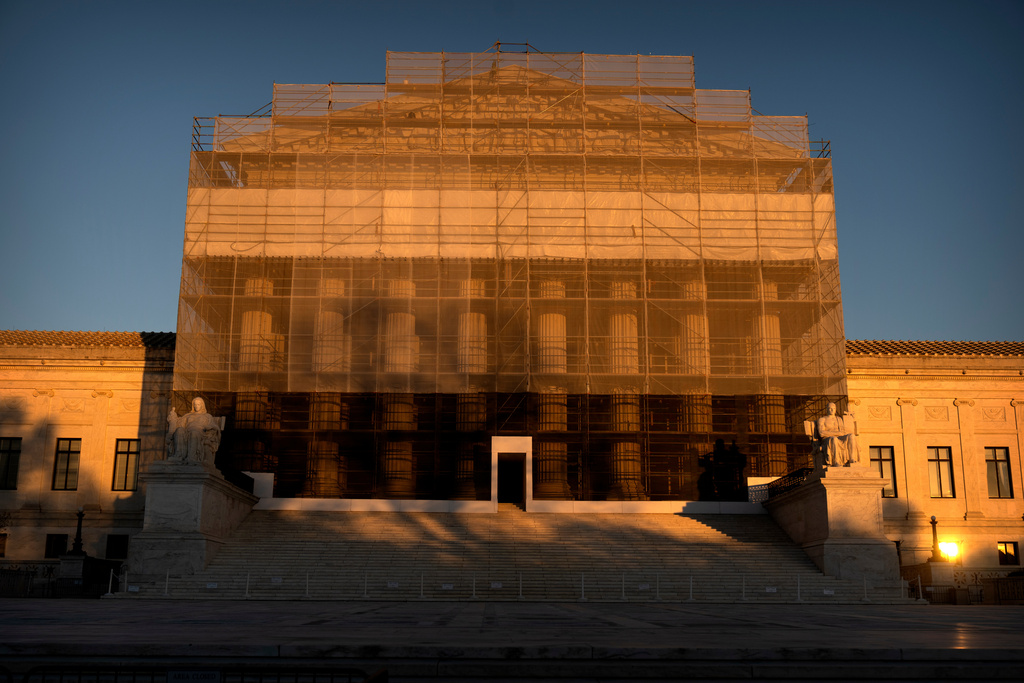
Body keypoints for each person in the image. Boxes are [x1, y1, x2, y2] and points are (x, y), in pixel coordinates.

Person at [166, 397, 223, 465]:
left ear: (202, 405)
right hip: (187, 431)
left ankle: (192, 457)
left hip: (200, 433)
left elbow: (214, 427)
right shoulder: (187, 415)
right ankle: (178, 455)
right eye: (195, 404)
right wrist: (173, 417)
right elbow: (179, 424)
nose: (196, 406)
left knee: (194, 433)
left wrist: (209, 427)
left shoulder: (207, 416)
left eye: (198, 404)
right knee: (179, 430)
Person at [816, 402, 859, 467]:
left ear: (835, 410)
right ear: (827, 409)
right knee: (834, 439)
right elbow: (821, 433)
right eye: (830, 408)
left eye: (833, 408)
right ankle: (836, 461)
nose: (832, 410)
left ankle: (852, 459)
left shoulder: (839, 419)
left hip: (839, 437)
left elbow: (843, 432)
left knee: (851, 436)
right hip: (827, 440)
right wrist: (837, 433)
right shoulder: (822, 419)